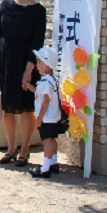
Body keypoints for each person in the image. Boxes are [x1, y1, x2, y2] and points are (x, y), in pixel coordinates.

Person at [0, 0, 46, 167]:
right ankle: (11, 149)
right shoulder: (6, 5)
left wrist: (29, 69)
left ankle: (25, 150)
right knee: (8, 107)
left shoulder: (38, 11)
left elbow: (36, 43)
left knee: (27, 107)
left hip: (24, 63)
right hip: (5, 61)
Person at [25, 46, 61, 178]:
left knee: (46, 141)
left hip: (46, 118)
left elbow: (45, 101)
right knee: (52, 140)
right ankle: (53, 162)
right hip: (53, 117)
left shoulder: (46, 81)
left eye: (40, 62)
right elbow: (42, 95)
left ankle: (45, 167)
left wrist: (39, 118)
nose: (37, 65)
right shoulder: (52, 80)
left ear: (47, 65)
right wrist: (30, 88)